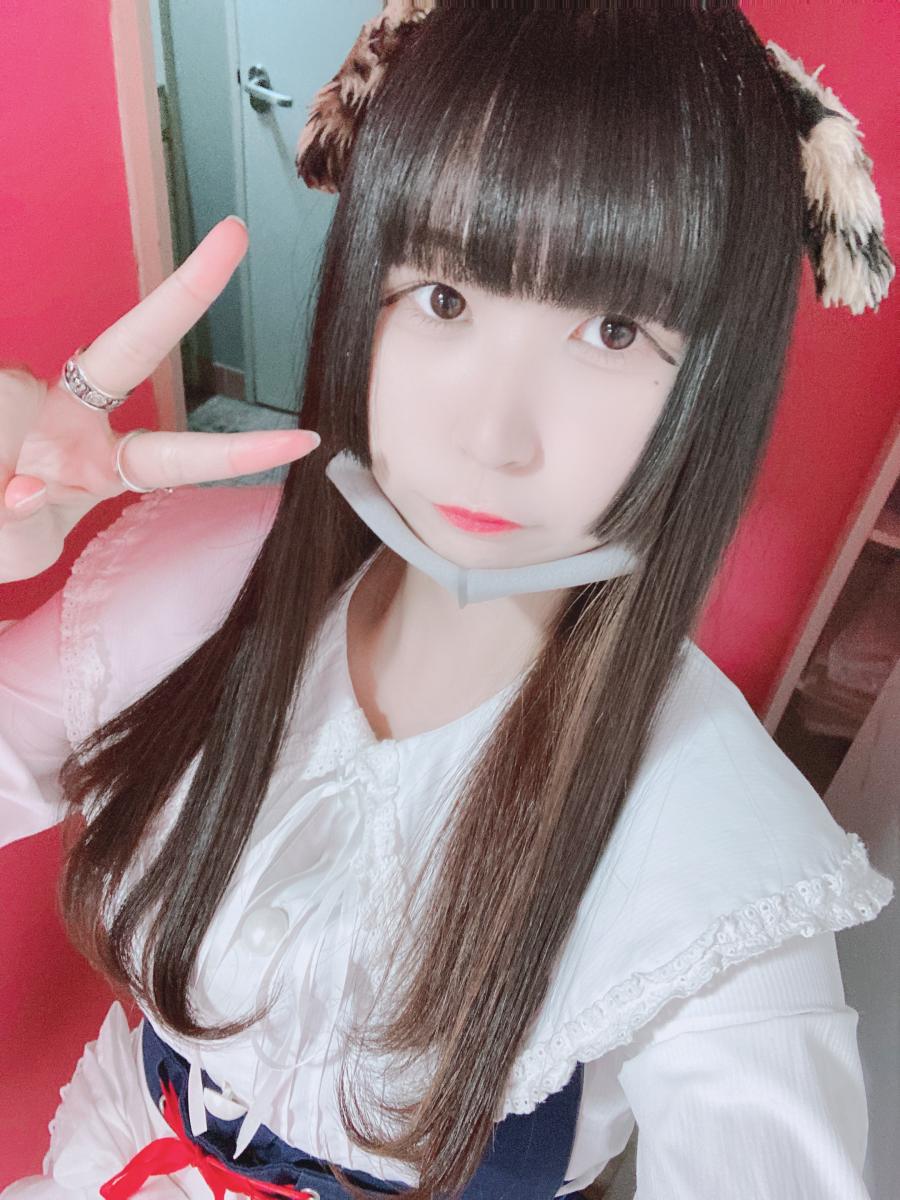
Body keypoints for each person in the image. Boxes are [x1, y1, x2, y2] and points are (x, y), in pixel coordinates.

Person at [0, 3, 896, 1198]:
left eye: (612, 329)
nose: (492, 436)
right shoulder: (189, 577)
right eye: (444, 297)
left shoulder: (718, 860)